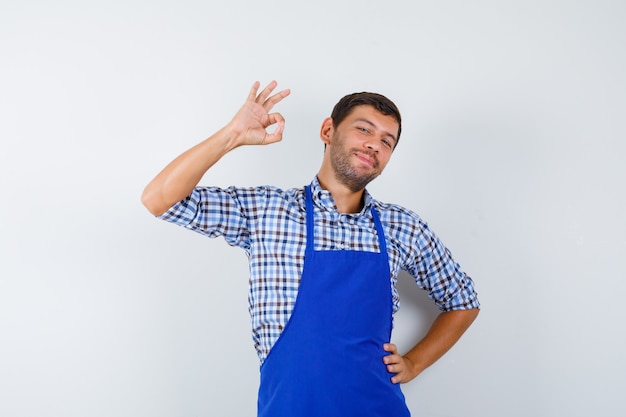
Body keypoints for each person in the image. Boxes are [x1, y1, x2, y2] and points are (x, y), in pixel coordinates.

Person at [141, 80, 480, 417]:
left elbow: (463, 301)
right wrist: (232, 134)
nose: (374, 144)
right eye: (364, 129)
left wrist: (413, 364)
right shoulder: (266, 211)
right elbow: (159, 200)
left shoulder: (402, 227)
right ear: (328, 130)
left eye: (386, 140)